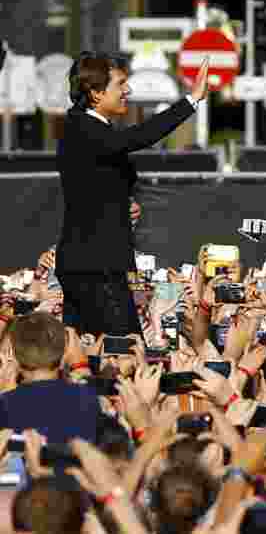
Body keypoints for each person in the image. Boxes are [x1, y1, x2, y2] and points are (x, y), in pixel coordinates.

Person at [55, 52, 210, 337]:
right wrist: (191, 100)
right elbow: (137, 137)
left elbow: (98, 185)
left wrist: (120, 203)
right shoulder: (84, 128)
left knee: (87, 355)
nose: (128, 90)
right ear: (96, 93)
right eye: (120, 84)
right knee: (125, 352)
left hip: (95, 263)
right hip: (97, 267)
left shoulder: (89, 128)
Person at [0, 312, 102, 444]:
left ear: (15, 356)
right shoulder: (88, 398)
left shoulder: (7, 403)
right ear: (64, 353)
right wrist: (80, 366)